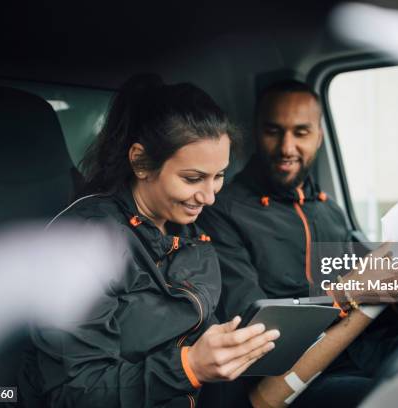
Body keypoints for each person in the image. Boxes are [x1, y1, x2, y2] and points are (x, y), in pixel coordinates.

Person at [19, 75, 280, 408]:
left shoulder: (190, 233)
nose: (209, 196)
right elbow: (74, 391)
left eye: (219, 176)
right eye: (192, 178)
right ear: (141, 162)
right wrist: (190, 366)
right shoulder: (81, 246)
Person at [197, 80, 398, 407]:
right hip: (295, 377)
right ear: (256, 133)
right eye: (274, 131)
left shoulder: (328, 208)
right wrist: (345, 295)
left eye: (301, 132)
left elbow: (364, 275)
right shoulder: (223, 213)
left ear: (319, 136)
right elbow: (256, 330)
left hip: (363, 349)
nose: (287, 147)